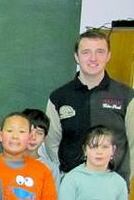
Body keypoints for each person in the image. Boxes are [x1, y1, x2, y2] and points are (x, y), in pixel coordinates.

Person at [46, 29, 134, 183]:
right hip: (72, 186)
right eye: (86, 52)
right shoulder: (59, 97)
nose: (93, 58)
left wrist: (122, 180)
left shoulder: (127, 96)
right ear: (76, 57)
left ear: (108, 56)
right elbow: (52, 142)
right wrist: (69, 175)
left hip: (113, 184)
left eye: (100, 52)